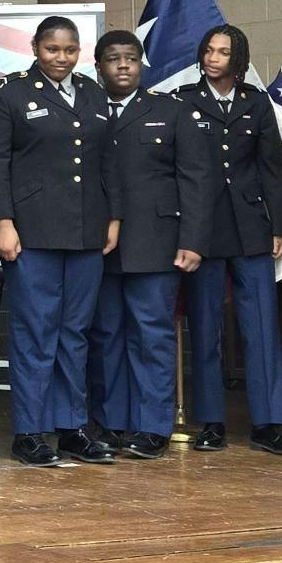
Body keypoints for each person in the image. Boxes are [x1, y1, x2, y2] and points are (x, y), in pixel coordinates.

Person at [0, 16, 119, 467]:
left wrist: (113, 217)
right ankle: (30, 430)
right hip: (33, 231)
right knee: (34, 333)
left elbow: (106, 162)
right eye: (52, 49)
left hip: (86, 230)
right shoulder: (10, 92)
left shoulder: (95, 93)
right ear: (35, 47)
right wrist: (3, 222)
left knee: (75, 333)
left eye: (69, 50)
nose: (61, 58)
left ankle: (71, 426)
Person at [175, 24, 282, 455]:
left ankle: (268, 424)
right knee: (206, 328)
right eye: (208, 50)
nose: (213, 58)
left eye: (223, 52)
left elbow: (272, 168)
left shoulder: (256, 102)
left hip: (251, 227)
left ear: (238, 58)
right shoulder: (183, 101)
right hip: (204, 230)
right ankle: (212, 422)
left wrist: (279, 227)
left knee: (262, 328)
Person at [88, 31, 211, 459]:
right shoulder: (85, 109)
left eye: (131, 58)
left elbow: (196, 179)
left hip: (156, 243)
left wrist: (193, 241)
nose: (123, 65)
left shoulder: (171, 110)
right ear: (98, 66)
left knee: (151, 335)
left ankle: (152, 427)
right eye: (113, 59)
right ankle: (111, 423)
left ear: (142, 65)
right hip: (97, 244)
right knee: (105, 336)